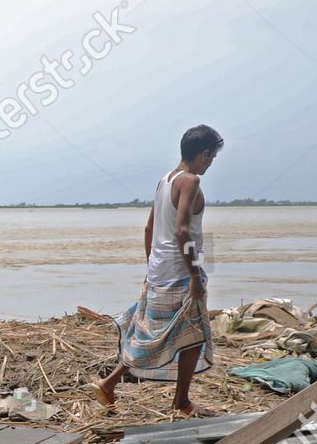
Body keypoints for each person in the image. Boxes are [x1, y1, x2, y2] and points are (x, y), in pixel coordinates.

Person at [94, 125, 224, 417]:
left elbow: (149, 228)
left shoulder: (165, 180)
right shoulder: (189, 181)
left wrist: (151, 265)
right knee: (193, 335)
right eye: (212, 156)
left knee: (153, 334)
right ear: (203, 154)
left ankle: (110, 383)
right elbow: (181, 231)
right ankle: (181, 402)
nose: (211, 163)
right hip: (179, 271)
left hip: (160, 270)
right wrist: (194, 276)